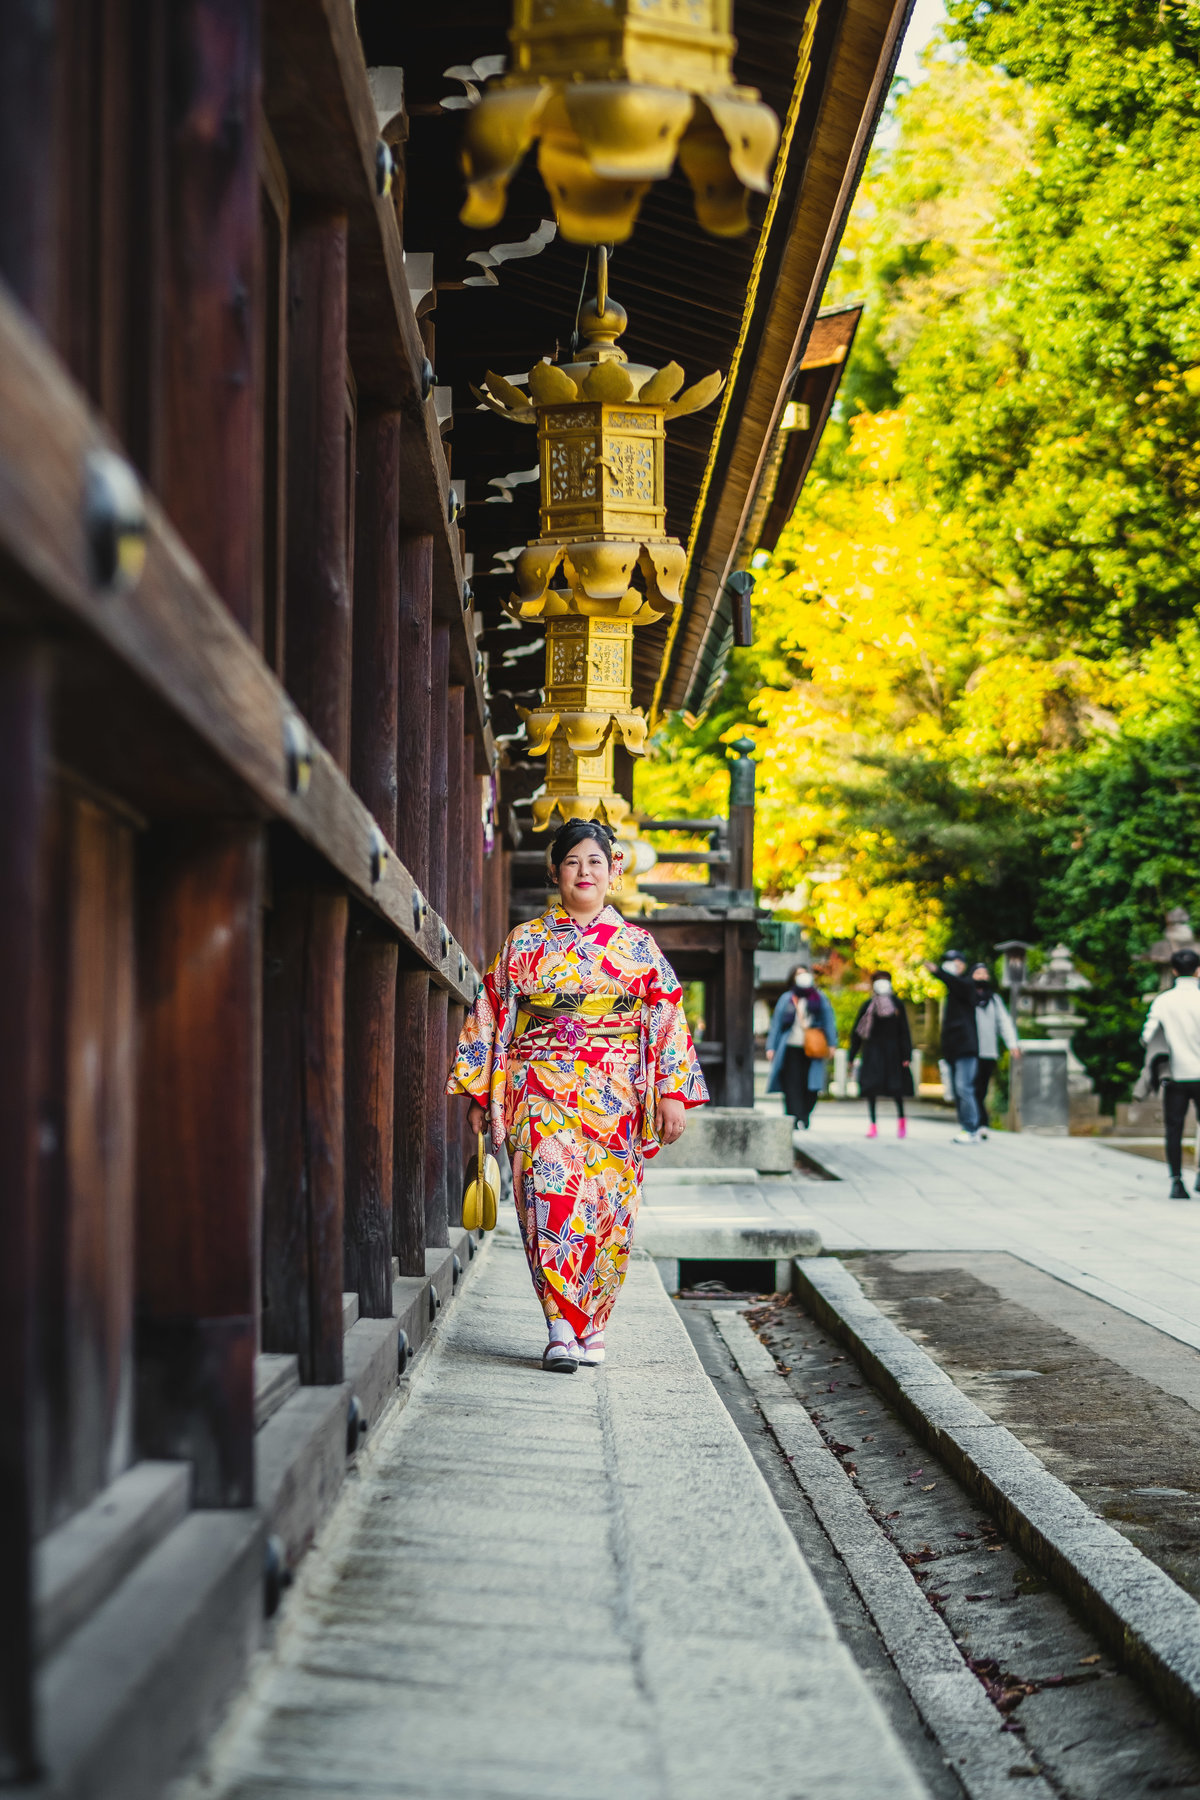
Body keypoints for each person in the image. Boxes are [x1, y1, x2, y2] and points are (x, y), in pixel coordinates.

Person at [446, 817, 708, 1371]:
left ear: (614, 871)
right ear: (554, 872)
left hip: (617, 1092)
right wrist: (478, 1087)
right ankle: (559, 1325)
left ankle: (592, 1320)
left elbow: (666, 1017)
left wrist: (672, 1091)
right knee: (547, 1189)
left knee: (608, 1206)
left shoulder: (638, 946)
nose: (584, 871)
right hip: (538, 1084)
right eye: (572, 861)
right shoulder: (525, 941)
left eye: (595, 861)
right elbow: (491, 1009)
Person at [1142, 947, 1200, 1200]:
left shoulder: (1163, 1001)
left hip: (1174, 1075)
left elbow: (1147, 1036)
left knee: (1174, 1128)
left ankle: (1177, 1182)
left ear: (1174, 970)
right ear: (1198, 970)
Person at [766, 963, 838, 1138]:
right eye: (798, 974)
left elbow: (829, 1021)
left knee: (811, 1085)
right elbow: (776, 1024)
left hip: (812, 1049)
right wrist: (771, 1046)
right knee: (791, 1084)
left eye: (804, 974)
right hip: (790, 1047)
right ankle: (794, 1116)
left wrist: (832, 1044)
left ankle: (805, 1114)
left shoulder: (819, 998)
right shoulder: (787, 998)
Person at [925, 950, 982, 1143]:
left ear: (962, 964)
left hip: (966, 1048)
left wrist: (938, 972)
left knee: (964, 1088)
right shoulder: (952, 992)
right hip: (954, 1049)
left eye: (954, 961)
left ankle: (971, 1128)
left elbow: (953, 982)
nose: (952, 965)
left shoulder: (966, 985)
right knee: (958, 1090)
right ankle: (967, 1127)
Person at [848, 972, 913, 1139]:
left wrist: (907, 1055)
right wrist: (851, 1055)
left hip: (893, 1053)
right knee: (871, 1088)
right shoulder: (868, 1006)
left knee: (896, 1088)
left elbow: (904, 1031)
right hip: (872, 1052)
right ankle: (873, 1124)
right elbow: (857, 1033)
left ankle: (901, 1121)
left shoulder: (897, 1005)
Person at [969, 961, 1021, 1136]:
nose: (982, 977)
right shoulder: (966, 997)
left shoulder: (994, 1000)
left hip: (988, 1051)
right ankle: (978, 1121)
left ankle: (979, 1121)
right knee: (971, 1088)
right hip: (969, 1051)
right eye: (978, 974)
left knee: (981, 1089)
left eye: (985, 973)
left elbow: (1004, 1023)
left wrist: (1012, 1044)